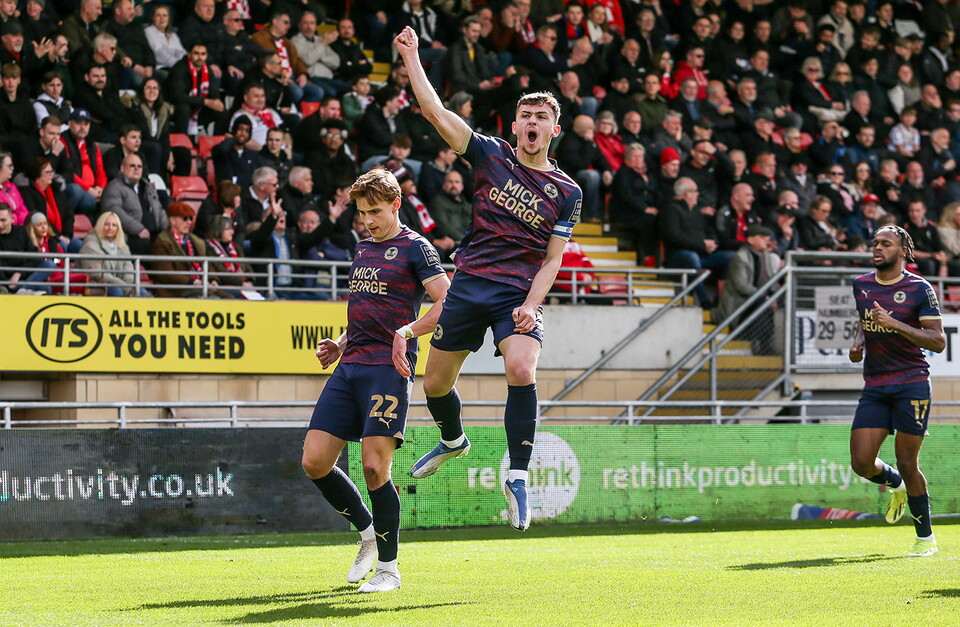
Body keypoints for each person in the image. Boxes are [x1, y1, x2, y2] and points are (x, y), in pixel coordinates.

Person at [395, 26, 582, 531]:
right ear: (515, 124)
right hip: (470, 282)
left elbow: (552, 259)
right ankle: (454, 439)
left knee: (522, 369)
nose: (532, 122)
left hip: (517, 294)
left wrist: (530, 304)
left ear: (553, 130)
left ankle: (517, 474)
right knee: (434, 384)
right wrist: (413, 57)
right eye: (526, 116)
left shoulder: (567, 192)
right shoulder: (489, 153)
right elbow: (435, 112)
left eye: (542, 117)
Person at [300, 168, 450, 592]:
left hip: (387, 368)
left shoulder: (416, 248)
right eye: (363, 212)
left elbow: (447, 299)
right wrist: (341, 343)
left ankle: (389, 569)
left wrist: (407, 333)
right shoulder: (363, 247)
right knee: (314, 461)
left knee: (373, 467)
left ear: (396, 205)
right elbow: (366, 308)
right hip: (350, 367)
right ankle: (367, 534)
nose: (368, 220)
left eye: (377, 211)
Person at [848, 225, 945, 557]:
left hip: (911, 382)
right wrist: (859, 343)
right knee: (861, 462)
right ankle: (897, 486)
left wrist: (896, 324)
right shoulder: (860, 285)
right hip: (875, 385)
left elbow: (938, 340)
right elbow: (865, 324)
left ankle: (925, 539)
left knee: (907, 461)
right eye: (874, 242)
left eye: (885, 244)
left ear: (903, 250)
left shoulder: (920, 288)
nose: (877, 248)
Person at [79, 211, 143, 296]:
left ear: (118, 228)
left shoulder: (123, 246)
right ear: (100, 225)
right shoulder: (90, 244)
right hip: (96, 285)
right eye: (106, 224)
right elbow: (97, 274)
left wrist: (129, 285)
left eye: (114, 225)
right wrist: (124, 286)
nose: (110, 228)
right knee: (117, 291)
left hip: (120, 285)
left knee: (142, 292)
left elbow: (128, 269)